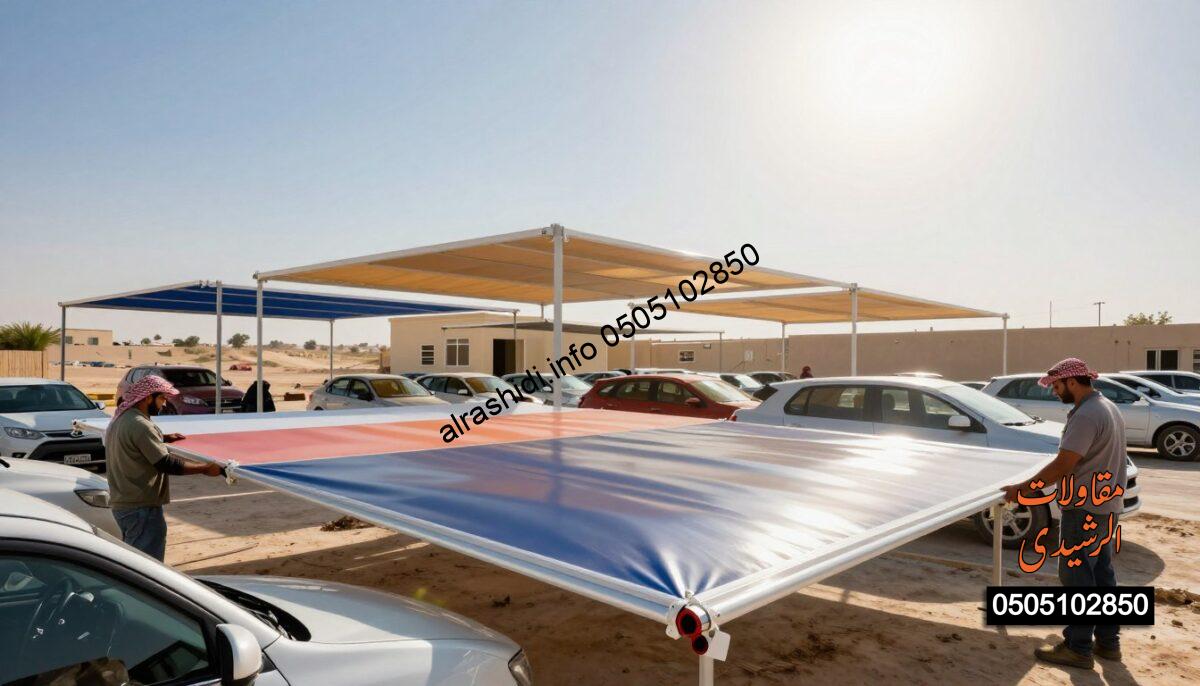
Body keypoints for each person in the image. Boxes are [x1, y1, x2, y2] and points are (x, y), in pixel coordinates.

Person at [1000, 357, 1127, 670]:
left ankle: (1078, 647)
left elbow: (1064, 463)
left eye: (1056, 385)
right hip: (1105, 506)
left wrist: (1025, 488)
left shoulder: (1087, 414)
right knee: (1101, 575)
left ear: (1072, 381)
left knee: (1076, 577)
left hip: (1084, 508)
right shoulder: (1107, 406)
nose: (1054, 391)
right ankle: (1108, 643)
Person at [105, 375, 222, 560]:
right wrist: (206, 468)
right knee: (146, 566)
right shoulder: (140, 425)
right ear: (147, 398)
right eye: (162, 398)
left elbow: (135, 443)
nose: (164, 404)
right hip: (140, 508)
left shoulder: (123, 419)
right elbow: (166, 463)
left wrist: (163, 438)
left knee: (134, 559)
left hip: (125, 505)